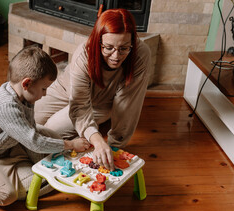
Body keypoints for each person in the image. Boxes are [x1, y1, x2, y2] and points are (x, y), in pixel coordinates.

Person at [0, 46, 90, 206]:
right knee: (7, 195)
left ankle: (35, 165)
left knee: (52, 140)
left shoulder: (24, 96)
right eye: (44, 89)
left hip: (5, 143)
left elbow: (31, 128)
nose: (45, 94)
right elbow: (34, 141)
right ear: (27, 83)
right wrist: (71, 144)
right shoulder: (6, 106)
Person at [34, 9, 151, 171]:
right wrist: (97, 139)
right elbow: (79, 104)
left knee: (50, 132)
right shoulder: (84, 53)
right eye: (108, 48)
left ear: (132, 43)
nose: (116, 56)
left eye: (124, 48)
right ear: (98, 42)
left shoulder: (141, 55)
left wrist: (111, 147)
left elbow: (127, 106)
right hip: (65, 89)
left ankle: (86, 131)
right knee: (31, 121)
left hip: (100, 104)